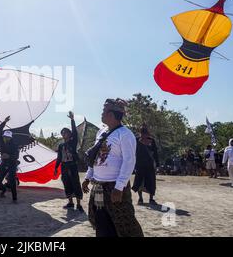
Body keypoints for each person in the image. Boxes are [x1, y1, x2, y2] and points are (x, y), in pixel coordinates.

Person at [82, 98, 143, 237]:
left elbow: (129, 161)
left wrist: (119, 187)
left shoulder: (125, 134)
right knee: (102, 223)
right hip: (98, 185)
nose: (101, 113)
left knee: (125, 224)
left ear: (111, 114)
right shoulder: (101, 132)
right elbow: (94, 158)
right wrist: (87, 177)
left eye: (104, 110)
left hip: (114, 186)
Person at [54, 111, 84, 212]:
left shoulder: (73, 142)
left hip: (72, 165)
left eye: (65, 132)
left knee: (75, 183)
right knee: (66, 183)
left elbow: (75, 132)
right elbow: (59, 157)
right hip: (64, 166)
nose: (63, 134)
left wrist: (72, 120)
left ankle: (79, 204)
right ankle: (70, 202)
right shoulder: (61, 145)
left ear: (69, 134)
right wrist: (56, 168)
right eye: (62, 133)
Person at [0, 116, 20, 202]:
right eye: (5, 137)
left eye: (7, 137)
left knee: (12, 181)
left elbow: (16, 156)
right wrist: (4, 122)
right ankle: (3, 190)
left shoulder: (15, 145)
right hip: (4, 163)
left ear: (10, 138)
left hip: (12, 163)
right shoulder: (2, 140)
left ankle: (14, 198)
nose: (5, 138)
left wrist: (8, 156)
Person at [132, 124, 159, 205]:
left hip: (149, 164)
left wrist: (157, 164)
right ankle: (140, 199)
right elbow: (133, 152)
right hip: (140, 164)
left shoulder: (151, 140)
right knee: (139, 181)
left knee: (151, 181)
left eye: (145, 132)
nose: (144, 134)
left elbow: (155, 153)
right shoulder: (136, 140)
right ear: (140, 133)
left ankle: (151, 199)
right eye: (143, 132)